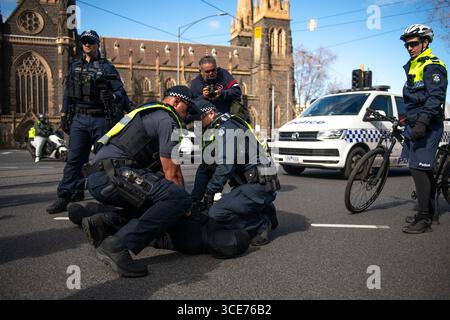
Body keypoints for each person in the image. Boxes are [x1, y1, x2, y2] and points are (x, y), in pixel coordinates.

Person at [79, 86, 195, 277]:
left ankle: (106, 222)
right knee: (177, 199)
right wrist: (185, 204)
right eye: (187, 109)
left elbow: (172, 171)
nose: (187, 115)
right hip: (115, 175)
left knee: (160, 200)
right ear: (176, 102)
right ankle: (117, 245)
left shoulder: (146, 113)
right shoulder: (167, 120)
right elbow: (171, 173)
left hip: (99, 177)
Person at [46, 30, 130, 214]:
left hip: (101, 119)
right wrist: (63, 114)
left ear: (97, 44)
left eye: (91, 42)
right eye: (84, 41)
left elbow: (121, 93)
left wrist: (112, 96)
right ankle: (67, 194)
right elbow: (68, 92)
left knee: (104, 161)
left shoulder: (107, 67)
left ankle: (107, 195)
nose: (87, 44)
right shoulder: (75, 65)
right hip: (79, 119)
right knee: (74, 159)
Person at [190, 98, 280, 246]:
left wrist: (210, 192)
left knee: (217, 214)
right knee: (225, 203)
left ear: (211, 113)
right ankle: (266, 210)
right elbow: (205, 169)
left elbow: (226, 166)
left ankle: (260, 223)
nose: (196, 124)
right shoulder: (216, 129)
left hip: (258, 184)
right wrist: (194, 200)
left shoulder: (226, 128)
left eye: (199, 118)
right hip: (256, 184)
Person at [400, 24, 448, 234]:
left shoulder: (432, 65)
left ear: (425, 43)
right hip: (415, 122)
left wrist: (422, 122)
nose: (409, 48)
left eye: (413, 43)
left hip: (427, 125)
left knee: (419, 169)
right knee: (419, 168)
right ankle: (428, 210)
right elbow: (414, 99)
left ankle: (424, 219)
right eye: (407, 44)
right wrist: (407, 118)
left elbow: (435, 97)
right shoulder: (413, 65)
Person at [190, 55, 248, 119]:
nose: (211, 73)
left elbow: (237, 92)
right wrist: (203, 97)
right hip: (204, 122)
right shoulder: (195, 83)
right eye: (207, 71)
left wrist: (222, 94)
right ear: (200, 71)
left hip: (226, 119)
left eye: (213, 70)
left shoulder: (223, 74)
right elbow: (191, 106)